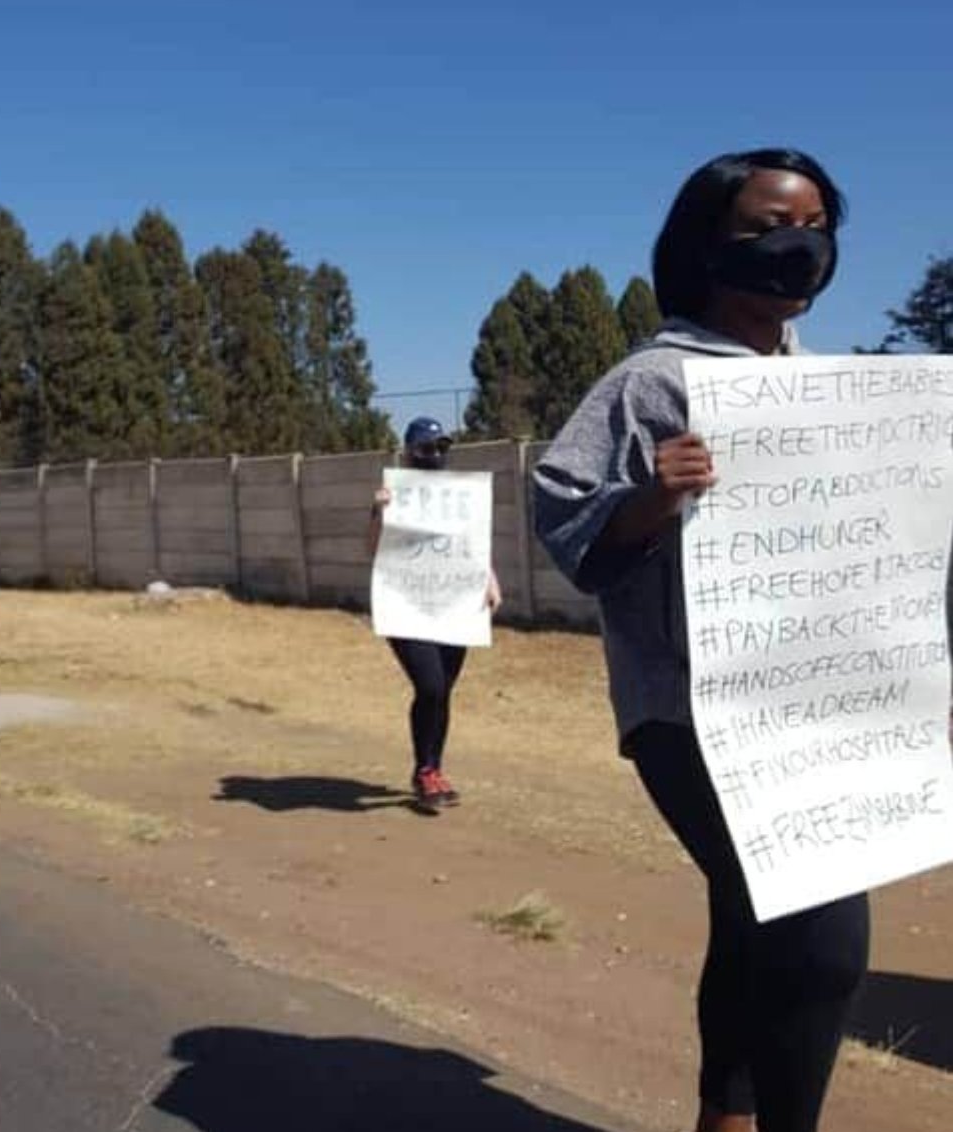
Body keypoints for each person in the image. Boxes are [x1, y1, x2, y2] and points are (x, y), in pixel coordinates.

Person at [533, 150, 868, 1132]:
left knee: (749, 910)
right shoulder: (651, 382)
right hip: (690, 708)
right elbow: (564, 519)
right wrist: (651, 496)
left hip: (814, 701)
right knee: (821, 934)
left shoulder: (835, 392)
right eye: (763, 227)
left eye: (812, 224)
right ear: (704, 247)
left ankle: (726, 1111)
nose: (795, 245)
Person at [369, 417, 502, 809]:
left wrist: (490, 579)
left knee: (443, 690)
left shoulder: (459, 497)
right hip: (407, 606)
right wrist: (378, 512)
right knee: (430, 686)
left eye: (442, 448)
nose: (437, 455)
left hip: (454, 606)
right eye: (428, 449)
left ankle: (431, 770)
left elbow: (469, 544)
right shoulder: (393, 495)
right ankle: (426, 771)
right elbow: (372, 548)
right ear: (410, 452)